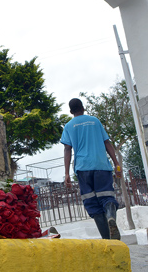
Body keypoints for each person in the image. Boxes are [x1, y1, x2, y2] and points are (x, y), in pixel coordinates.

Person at [61, 98, 122, 240]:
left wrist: (66, 174)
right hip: (101, 166)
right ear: (83, 108)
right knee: (107, 197)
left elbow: (67, 149)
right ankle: (111, 217)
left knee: (92, 204)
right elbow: (107, 143)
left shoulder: (69, 126)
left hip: (83, 169)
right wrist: (116, 164)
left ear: (71, 111)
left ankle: (108, 240)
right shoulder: (95, 121)